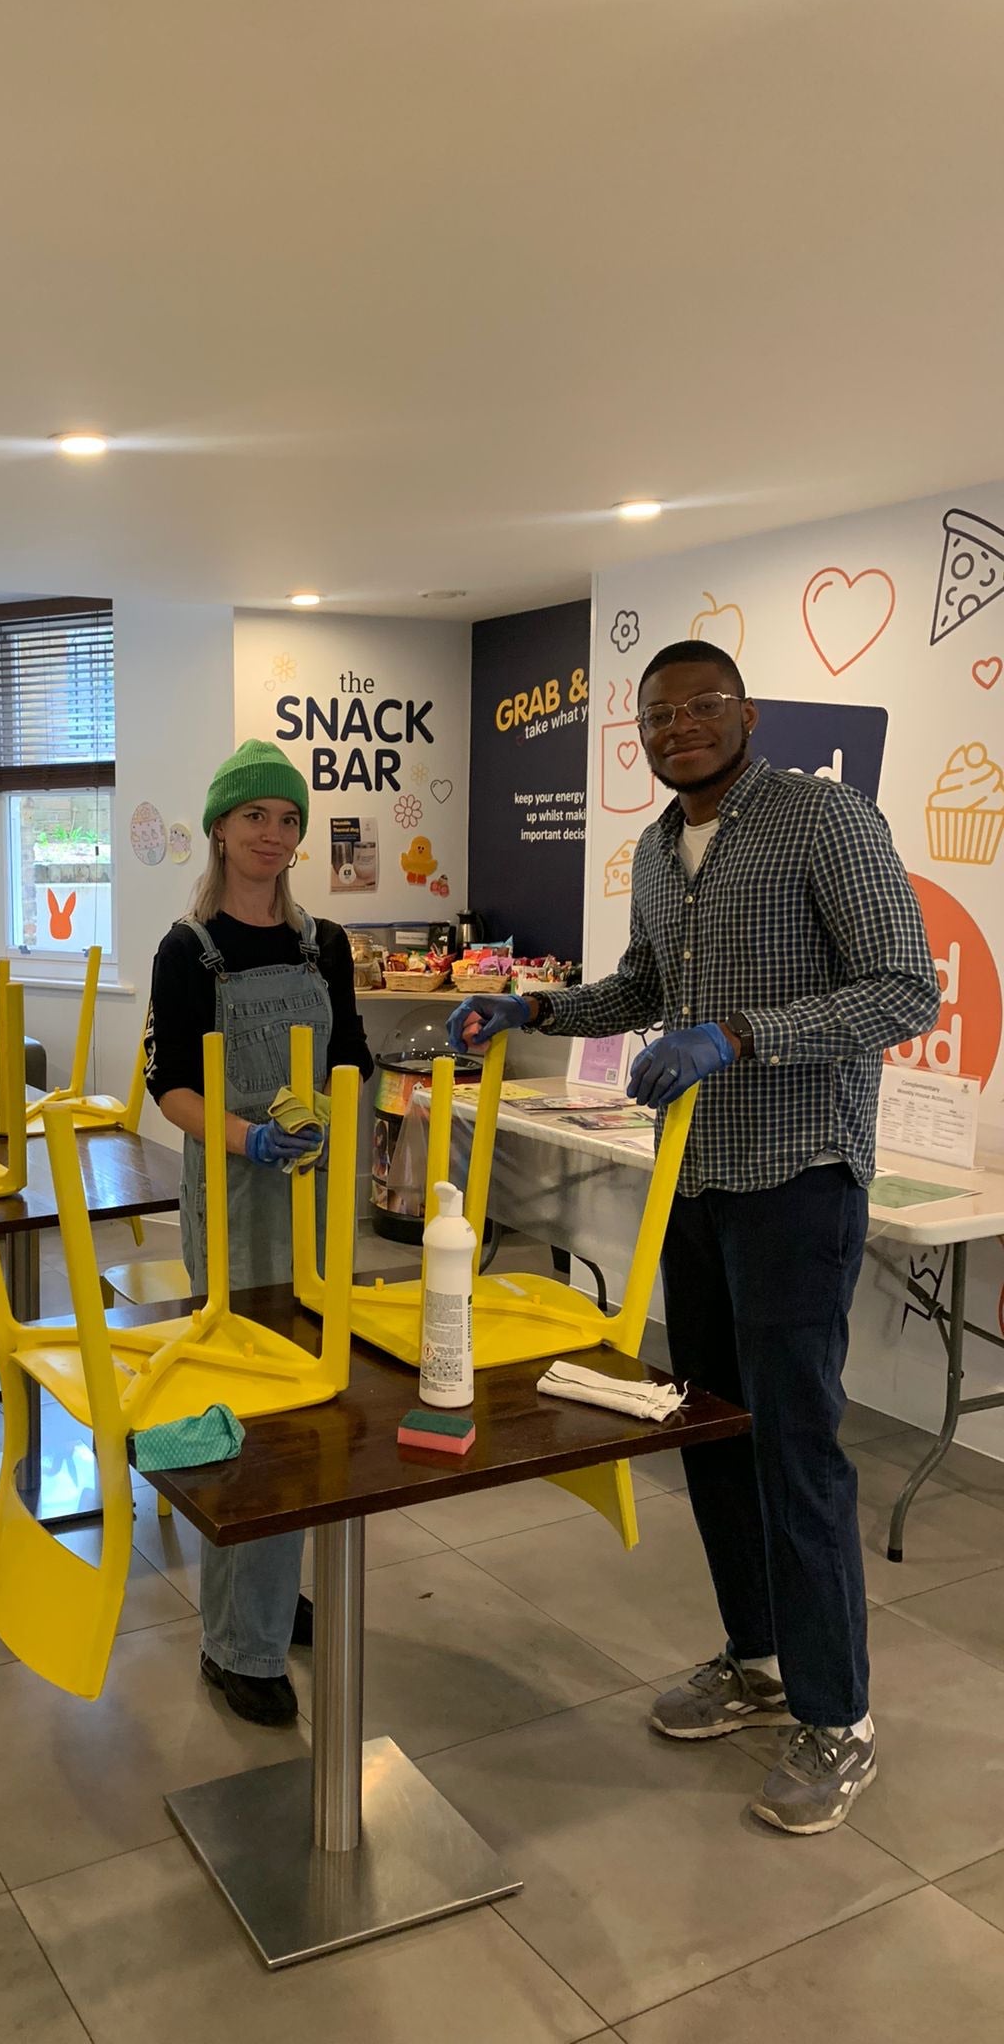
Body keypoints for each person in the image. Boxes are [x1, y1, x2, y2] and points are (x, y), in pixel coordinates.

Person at [450, 642, 939, 1836]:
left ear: (746, 713)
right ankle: (756, 1660)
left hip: (800, 1180)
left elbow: (905, 988)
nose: (680, 730)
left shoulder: (825, 821)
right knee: (710, 1429)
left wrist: (742, 1033)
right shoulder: (658, 852)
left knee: (799, 1446)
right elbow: (639, 987)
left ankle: (839, 1715)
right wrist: (537, 1007)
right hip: (699, 1180)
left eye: (701, 708)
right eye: (659, 716)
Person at [145, 739, 373, 1725]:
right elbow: (171, 1088)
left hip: (317, 1203)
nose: (273, 835)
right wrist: (251, 1137)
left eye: (288, 819)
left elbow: (350, 1056)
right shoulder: (186, 948)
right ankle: (235, 1643)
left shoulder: (325, 943)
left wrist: (339, 1119)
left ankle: (274, 1594)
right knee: (245, 1412)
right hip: (236, 1206)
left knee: (311, 1401)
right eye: (255, 818)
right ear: (221, 829)